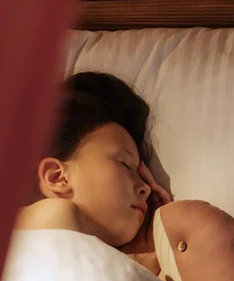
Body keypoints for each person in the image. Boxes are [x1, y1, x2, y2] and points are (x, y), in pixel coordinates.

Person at [15, 71, 170, 255]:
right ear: (58, 177)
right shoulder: (50, 215)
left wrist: (149, 252)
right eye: (124, 164)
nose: (146, 188)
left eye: (141, 175)